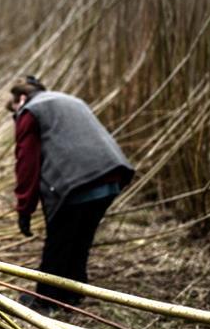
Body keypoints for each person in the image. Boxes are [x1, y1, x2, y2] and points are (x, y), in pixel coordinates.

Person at [8, 75, 134, 314]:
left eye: (14, 110)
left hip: (78, 182)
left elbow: (27, 164)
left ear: (21, 98)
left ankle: (45, 299)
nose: (16, 116)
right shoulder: (69, 101)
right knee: (80, 238)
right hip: (111, 175)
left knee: (59, 240)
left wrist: (24, 209)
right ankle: (72, 294)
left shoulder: (30, 110)